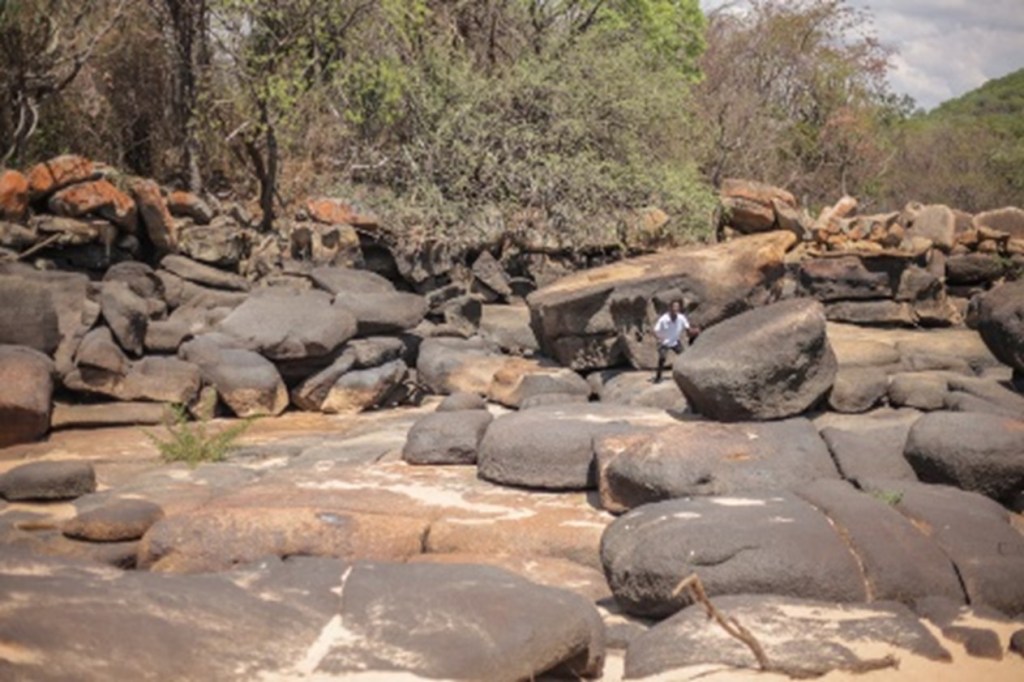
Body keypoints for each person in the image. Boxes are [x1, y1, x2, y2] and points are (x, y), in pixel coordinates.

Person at [653, 300, 699, 383]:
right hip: (664, 342)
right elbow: (655, 330)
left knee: (684, 356)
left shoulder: (681, 318)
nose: (676, 309)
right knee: (662, 358)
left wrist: (694, 331)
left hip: (675, 341)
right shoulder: (663, 319)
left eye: (677, 307)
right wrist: (659, 338)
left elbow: (688, 329)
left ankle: (687, 374)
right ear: (670, 308)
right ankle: (658, 377)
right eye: (674, 307)